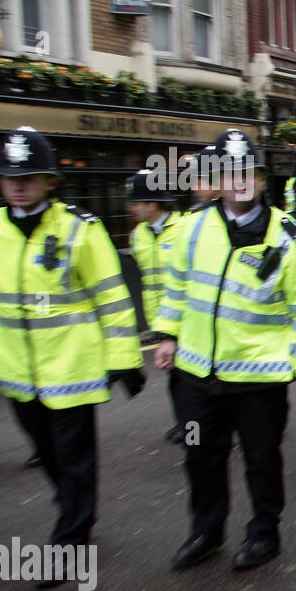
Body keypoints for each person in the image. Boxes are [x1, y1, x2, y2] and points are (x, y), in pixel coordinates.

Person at [152, 129, 296, 572]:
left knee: (260, 459)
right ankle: (206, 532)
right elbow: (177, 288)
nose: (239, 180)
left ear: (261, 177)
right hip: (196, 373)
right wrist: (168, 334)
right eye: (229, 172)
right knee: (200, 456)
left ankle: (265, 531)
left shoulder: (290, 239)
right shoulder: (191, 228)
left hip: (258, 379)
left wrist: (292, 366)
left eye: (248, 171)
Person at [0, 127, 145, 585]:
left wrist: (124, 358)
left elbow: (112, 296)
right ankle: (74, 510)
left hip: (72, 369)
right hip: (18, 374)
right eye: (9, 177)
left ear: (49, 180)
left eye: (29, 176)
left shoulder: (80, 229)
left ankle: (71, 540)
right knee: (49, 455)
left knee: (74, 457)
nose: (18, 185)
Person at [127, 168, 183, 443]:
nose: (131, 207)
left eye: (136, 202)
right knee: (174, 374)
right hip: (159, 317)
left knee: (191, 376)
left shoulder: (184, 227)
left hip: (186, 315)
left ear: (152, 204)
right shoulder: (138, 235)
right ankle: (184, 422)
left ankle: (194, 425)